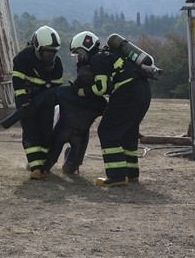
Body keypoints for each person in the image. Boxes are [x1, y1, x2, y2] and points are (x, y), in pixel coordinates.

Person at [86, 33, 154, 186]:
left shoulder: (97, 58)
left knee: (107, 131)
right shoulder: (113, 54)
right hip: (143, 91)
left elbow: (101, 87)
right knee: (128, 132)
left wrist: (83, 91)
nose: (79, 58)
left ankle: (116, 177)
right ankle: (131, 174)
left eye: (78, 53)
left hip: (128, 92)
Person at [37, 30, 108, 176]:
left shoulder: (73, 93)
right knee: (61, 168)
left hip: (69, 132)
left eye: (79, 55)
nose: (79, 59)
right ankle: (49, 163)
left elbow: (45, 98)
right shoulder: (97, 101)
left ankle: (47, 164)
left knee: (55, 166)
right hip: (75, 133)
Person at [10, 25, 65, 178]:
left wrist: (51, 103)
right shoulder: (22, 59)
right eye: (47, 52)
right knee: (30, 132)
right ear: (37, 49)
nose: (50, 56)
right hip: (26, 101)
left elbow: (57, 89)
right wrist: (23, 102)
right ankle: (35, 167)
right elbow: (18, 83)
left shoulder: (58, 65)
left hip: (46, 103)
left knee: (46, 133)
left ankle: (42, 164)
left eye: (53, 52)